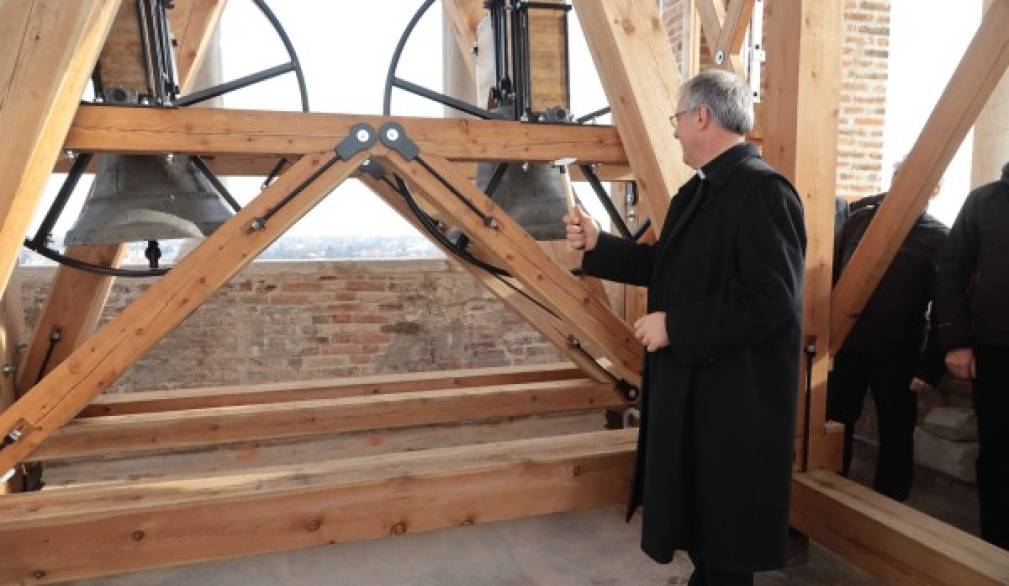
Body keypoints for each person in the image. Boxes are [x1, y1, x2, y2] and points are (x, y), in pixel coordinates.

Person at [564, 69, 806, 586]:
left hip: (735, 403)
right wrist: (597, 244)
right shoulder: (696, 194)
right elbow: (664, 267)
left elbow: (771, 301)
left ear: (702, 116)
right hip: (699, 394)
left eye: (677, 117)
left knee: (724, 542)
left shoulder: (764, 191)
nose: (673, 130)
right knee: (705, 534)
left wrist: (676, 325)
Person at [828, 167, 948, 502]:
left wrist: (929, 369)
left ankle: (888, 508)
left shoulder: (939, 238)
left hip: (899, 352)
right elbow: (833, 280)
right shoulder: (858, 222)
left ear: (934, 189)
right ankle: (831, 499)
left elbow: (944, 308)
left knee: (896, 434)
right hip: (847, 344)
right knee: (836, 424)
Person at [934, 161, 1009, 550]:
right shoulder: (984, 201)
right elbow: (950, 271)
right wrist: (957, 342)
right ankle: (995, 549)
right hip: (996, 351)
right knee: (998, 452)